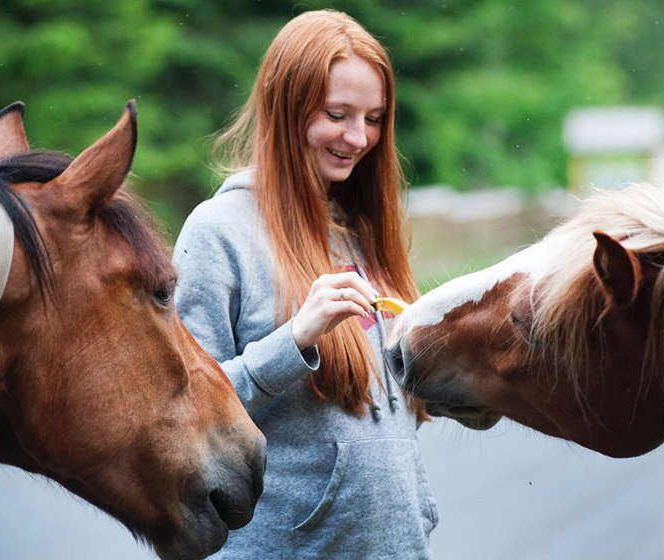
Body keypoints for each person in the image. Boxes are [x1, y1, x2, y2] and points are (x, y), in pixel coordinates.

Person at [172, 9, 437, 560]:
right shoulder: (218, 231)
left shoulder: (363, 229)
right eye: (338, 114)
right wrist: (293, 342)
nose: (358, 137)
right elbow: (182, 416)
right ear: (286, 107)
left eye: (374, 117)